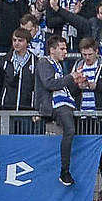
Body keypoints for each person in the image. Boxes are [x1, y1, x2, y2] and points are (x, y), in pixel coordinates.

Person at [33, 35, 77, 185]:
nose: (65, 52)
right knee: (70, 130)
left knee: (71, 131)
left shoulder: (58, 64)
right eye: (62, 48)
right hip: (57, 105)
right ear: (52, 50)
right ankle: (64, 171)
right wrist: (71, 77)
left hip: (66, 103)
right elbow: (49, 83)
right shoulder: (44, 62)